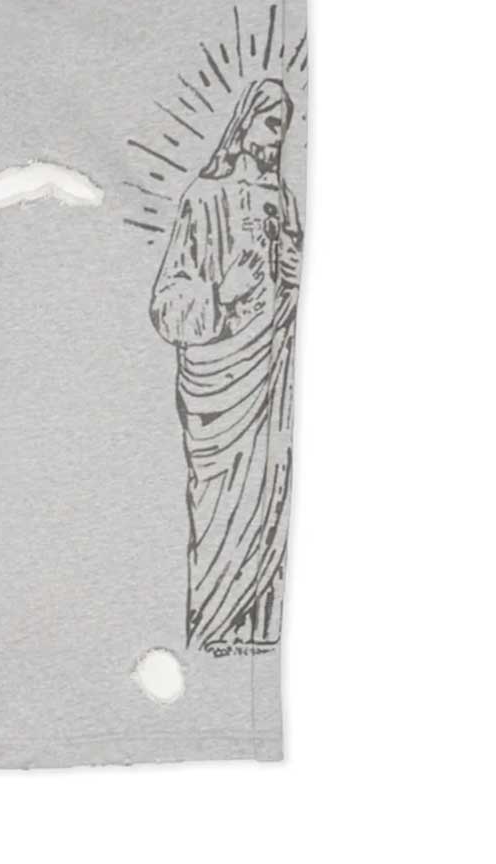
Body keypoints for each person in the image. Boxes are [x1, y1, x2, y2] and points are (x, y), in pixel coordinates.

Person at [150, 78, 302, 652]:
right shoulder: (204, 199)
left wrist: (293, 278)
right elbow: (166, 304)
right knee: (218, 513)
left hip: (271, 381)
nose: (278, 137)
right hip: (218, 391)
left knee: (270, 500)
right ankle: (213, 632)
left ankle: (254, 636)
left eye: (285, 125)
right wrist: (221, 292)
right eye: (270, 123)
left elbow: (288, 300)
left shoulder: (284, 201)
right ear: (244, 124)